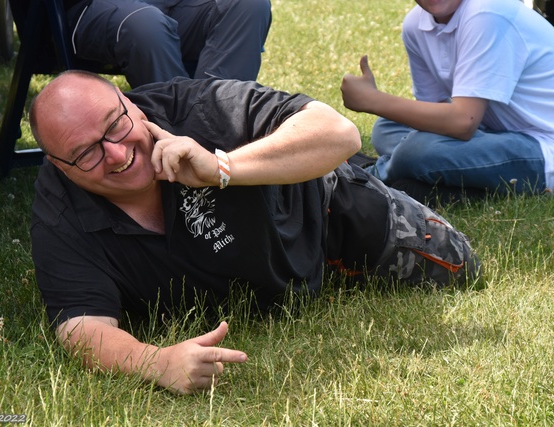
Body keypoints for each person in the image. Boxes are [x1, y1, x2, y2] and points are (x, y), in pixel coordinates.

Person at [29, 70, 480, 394]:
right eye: (86, 152)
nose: (116, 153)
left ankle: (391, 181)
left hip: (326, 216)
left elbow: (339, 132)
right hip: (261, 270)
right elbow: (82, 328)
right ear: (58, 166)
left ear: (131, 102)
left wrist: (222, 167)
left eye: (116, 124)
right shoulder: (59, 210)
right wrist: (156, 362)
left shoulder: (197, 108)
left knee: (464, 267)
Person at [341, 0, 554, 205]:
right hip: (493, 130)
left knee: (415, 150)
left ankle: (367, 176)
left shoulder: (488, 11)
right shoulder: (416, 24)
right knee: (387, 127)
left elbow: (463, 123)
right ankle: (446, 182)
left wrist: (374, 100)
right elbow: (433, 119)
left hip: (542, 147)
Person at [64, 0, 272, 88]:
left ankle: (218, 128)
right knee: (146, 26)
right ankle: (178, 134)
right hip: (88, 8)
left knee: (248, 4)